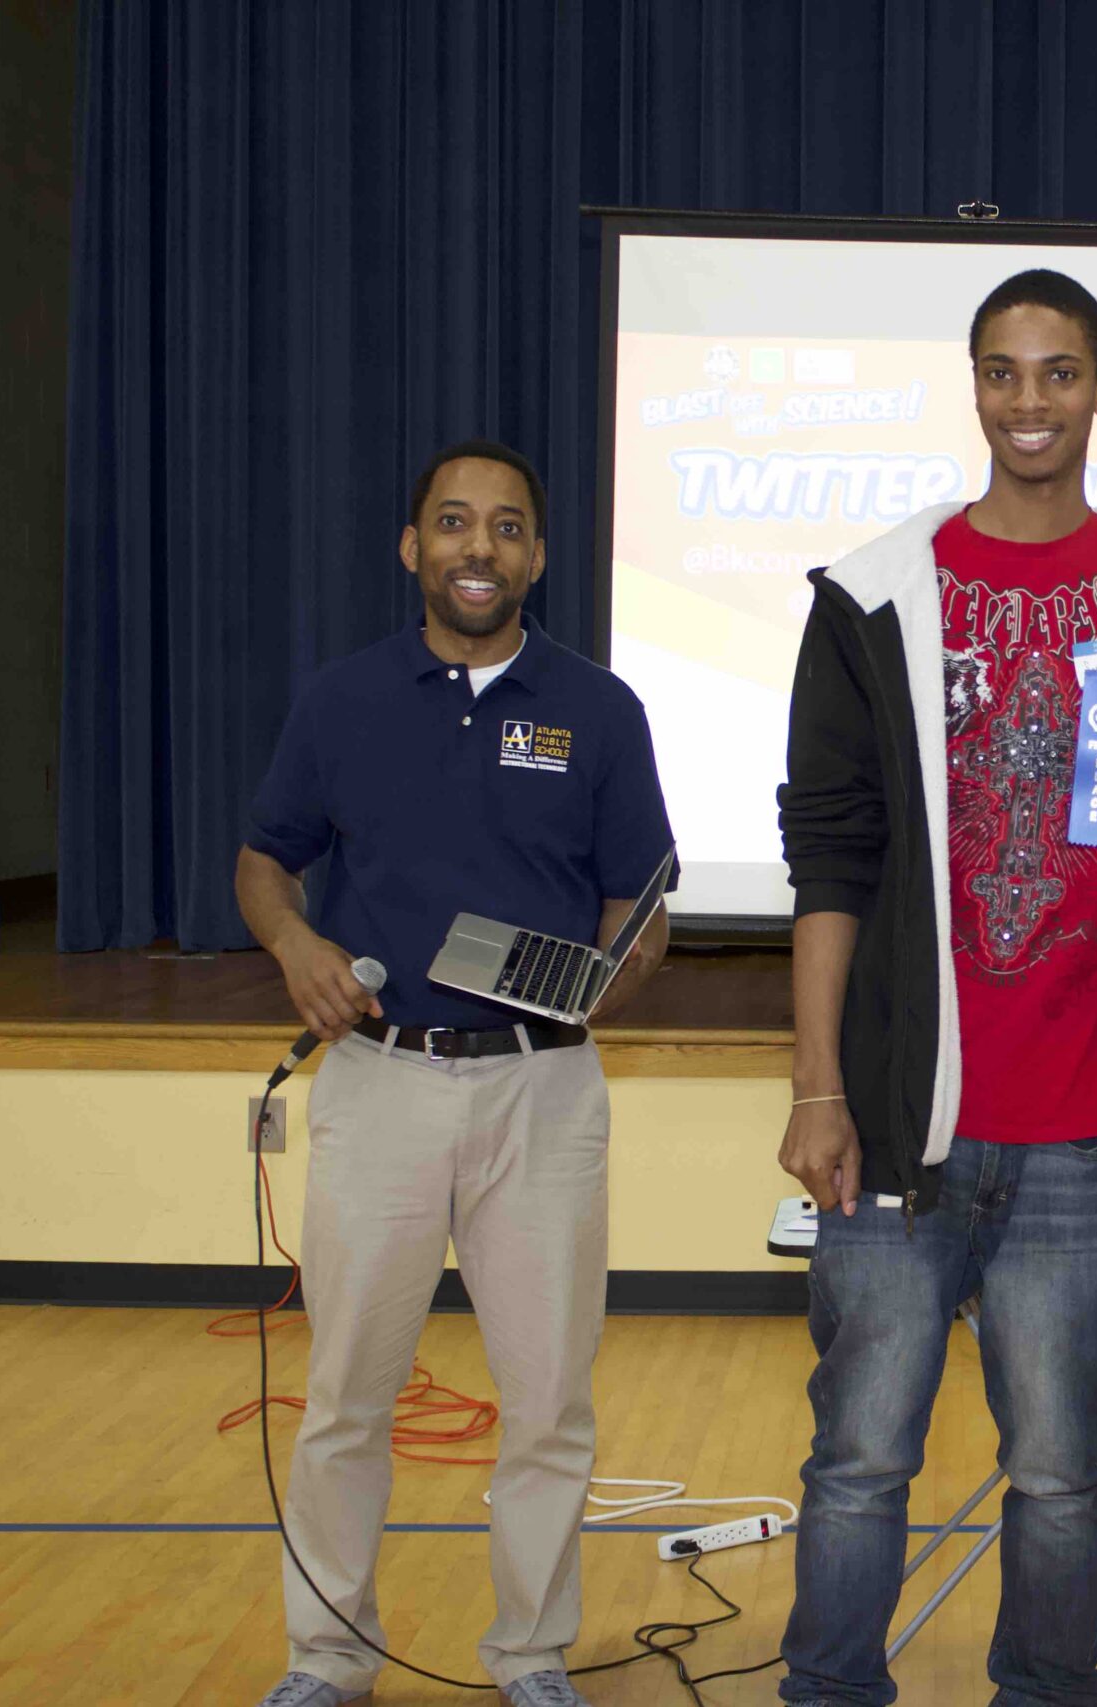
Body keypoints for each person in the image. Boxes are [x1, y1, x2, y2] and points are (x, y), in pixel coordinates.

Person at [774, 268, 1097, 1706]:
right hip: (905, 1125)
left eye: (1057, 371)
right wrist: (818, 1085)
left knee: (1059, 1472)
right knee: (859, 1461)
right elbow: (831, 862)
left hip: (1085, 1129)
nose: (1028, 399)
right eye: (1001, 370)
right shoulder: (872, 600)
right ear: (972, 386)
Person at [237, 441, 675, 1707]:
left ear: (537, 555)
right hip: (379, 1083)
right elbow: (266, 858)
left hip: (544, 1094)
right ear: (411, 548)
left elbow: (641, 906)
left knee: (547, 1405)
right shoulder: (341, 699)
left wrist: (615, 971)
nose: (477, 548)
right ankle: (326, 1658)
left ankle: (530, 1655)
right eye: (452, 524)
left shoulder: (600, 709)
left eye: (505, 528)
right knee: (342, 1402)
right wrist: (295, 941)